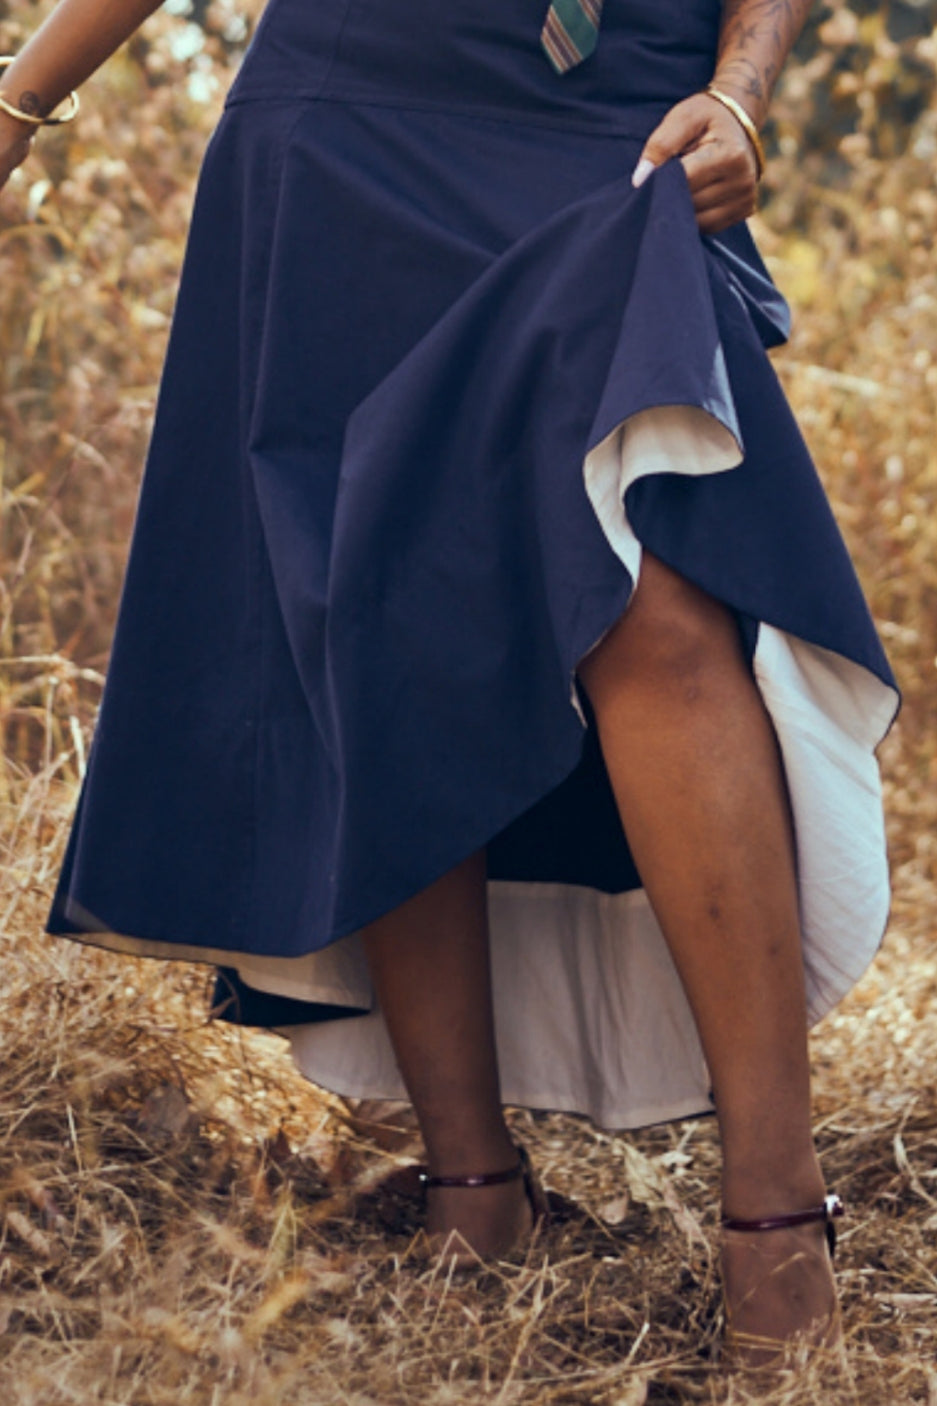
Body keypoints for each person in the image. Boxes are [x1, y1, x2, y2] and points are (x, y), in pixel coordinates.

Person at [0, 0, 899, 1368]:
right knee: (387, 605)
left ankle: (775, 1219)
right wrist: (17, 104)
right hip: (346, 113)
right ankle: (470, 1189)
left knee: (656, 608)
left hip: (619, 119)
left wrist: (742, 90)